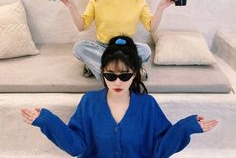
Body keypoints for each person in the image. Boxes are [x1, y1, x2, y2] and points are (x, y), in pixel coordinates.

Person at [21, 36, 218, 158]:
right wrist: (46, 121)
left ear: (134, 75)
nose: (117, 82)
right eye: (109, 76)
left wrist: (186, 127)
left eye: (124, 76)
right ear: (102, 73)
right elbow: (75, 146)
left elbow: (160, 149)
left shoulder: (147, 105)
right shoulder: (89, 102)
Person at [60, 0, 174, 81]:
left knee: (145, 50)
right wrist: (72, 6)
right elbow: (82, 26)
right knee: (79, 48)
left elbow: (151, 27)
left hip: (127, 48)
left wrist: (161, 8)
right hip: (103, 48)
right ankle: (127, 70)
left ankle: (103, 70)